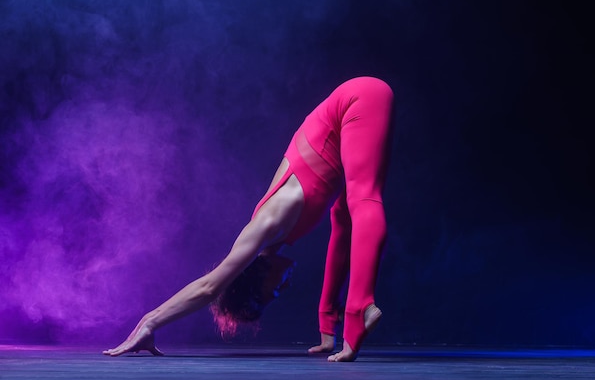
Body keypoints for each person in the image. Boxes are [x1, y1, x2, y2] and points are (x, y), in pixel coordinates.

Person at [103, 76, 394, 362]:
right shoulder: (278, 235)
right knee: (342, 214)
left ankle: (361, 309)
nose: (284, 288)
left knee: (363, 198)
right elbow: (341, 231)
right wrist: (326, 323)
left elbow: (209, 287)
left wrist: (150, 322)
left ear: (257, 278)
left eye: (273, 292)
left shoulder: (266, 224)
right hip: (352, 108)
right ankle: (339, 316)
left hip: (358, 99)